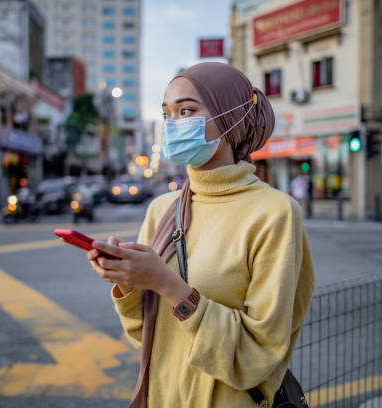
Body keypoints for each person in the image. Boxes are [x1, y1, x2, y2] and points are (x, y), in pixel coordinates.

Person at [81, 62, 315, 407]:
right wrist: (128, 282)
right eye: (167, 115)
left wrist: (169, 285)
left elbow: (258, 355)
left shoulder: (274, 212)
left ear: (231, 115)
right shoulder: (163, 209)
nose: (174, 125)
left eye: (186, 110)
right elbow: (145, 336)